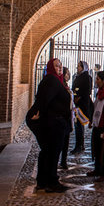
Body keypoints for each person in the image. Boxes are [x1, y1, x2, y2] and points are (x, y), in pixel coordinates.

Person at [33, 58, 72, 193]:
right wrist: (41, 113)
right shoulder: (52, 81)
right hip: (54, 123)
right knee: (53, 152)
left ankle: (42, 181)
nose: (60, 68)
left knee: (47, 151)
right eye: (56, 66)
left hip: (52, 121)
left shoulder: (53, 80)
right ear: (50, 67)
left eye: (61, 65)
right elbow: (45, 100)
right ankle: (52, 182)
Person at [71, 61, 93, 154]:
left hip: (82, 104)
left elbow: (87, 90)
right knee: (78, 125)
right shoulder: (78, 76)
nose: (77, 68)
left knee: (79, 124)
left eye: (79, 66)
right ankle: (80, 144)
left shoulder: (87, 77)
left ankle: (79, 146)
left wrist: (78, 96)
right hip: (77, 103)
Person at [58, 67, 75, 169]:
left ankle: (63, 160)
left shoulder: (66, 86)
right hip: (62, 118)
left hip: (68, 117)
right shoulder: (60, 86)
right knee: (60, 141)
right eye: (66, 74)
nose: (68, 76)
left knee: (66, 141)